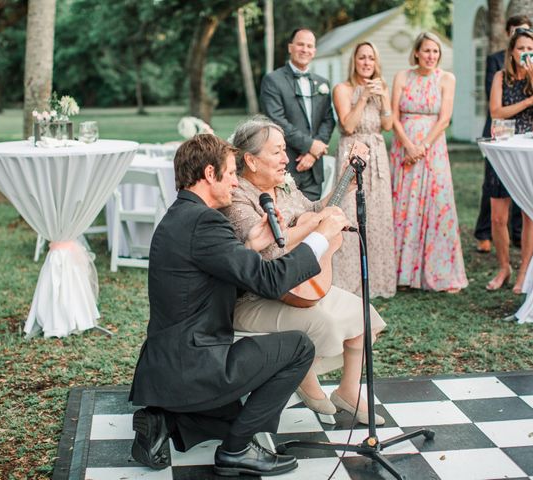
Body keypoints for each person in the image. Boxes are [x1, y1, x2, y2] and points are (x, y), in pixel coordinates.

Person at [129, 134, 349, 476]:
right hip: (193, 362)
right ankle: (237, 451)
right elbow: (270, 280)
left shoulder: (181, 216)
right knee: (299, 346)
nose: (235, 181)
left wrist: (248, 244)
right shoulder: (206, 222)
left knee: (227, 416)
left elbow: (206, 279)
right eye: (230, 173)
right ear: (209, 174)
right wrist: (320, 238)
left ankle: (164, 420)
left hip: (169, 362)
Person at [222, 116, 387, 426]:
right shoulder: (237, 197)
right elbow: (268, 252)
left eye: (285, 150)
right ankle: (301, 371)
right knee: (322, 321)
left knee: (363, 314)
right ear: (250, 161)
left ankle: (348, 391)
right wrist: (312, 225)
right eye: (277, 152)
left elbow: (313, 212)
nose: (287, 158)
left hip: (297, 286)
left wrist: (344, 186)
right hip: (252, 299)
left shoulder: (283, 183)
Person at [390, 32, 468, 293]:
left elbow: (445, 119)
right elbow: (394, 116)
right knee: (404, 206)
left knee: (438, 207)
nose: (431, 56)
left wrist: (422, 147)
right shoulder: (402, 76)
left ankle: (440, 273)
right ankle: (402, 273)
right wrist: (408, 146)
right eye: (426, 51)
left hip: (433, 150)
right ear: (416, 53)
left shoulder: (446, 78)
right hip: (404, 147)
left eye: (435, 52)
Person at [486, 28, 533, 293]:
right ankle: (504, 267)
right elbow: (496, 111)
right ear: (512, 52)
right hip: (503, 149)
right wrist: (527, 101)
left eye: (530, 49)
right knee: (498, 218)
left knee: (529, 215)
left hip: (531, 150)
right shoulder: (501, 77)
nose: (525, 53)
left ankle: (525, 269)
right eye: (521, 48)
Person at [332, 41, 396, 298]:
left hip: (377, 154)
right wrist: (365, 98)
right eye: (362, 58)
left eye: (371, 58)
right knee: (348, 214)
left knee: (378, 217)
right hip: (352, 154)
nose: (367, 62)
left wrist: (382, 98)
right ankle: (349, 283)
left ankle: (378, 282)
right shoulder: (342, 89)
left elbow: (388, 124)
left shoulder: (382, 87)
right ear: (354, 61)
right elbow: (347, 126)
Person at [474, 16, 533, 255]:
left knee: (523, 196)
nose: (525, 49)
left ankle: (518, 235)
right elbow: (495, 103)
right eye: (518, 33)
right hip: (499, 128)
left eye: (527, 34)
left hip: (525, 133)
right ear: (509, 34)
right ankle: (484, 233)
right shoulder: (496, 62)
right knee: (493, 190)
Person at [260, 28, 336, 201]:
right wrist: (310, 145)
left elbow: (328, 120)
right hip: (284, 165)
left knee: (313, 218)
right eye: (300, 44)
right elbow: (276, 121)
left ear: (314, 51)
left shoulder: (322, 83)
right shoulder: (273, 80)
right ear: (290, 47)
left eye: (309, 46)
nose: (305, 49)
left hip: (313, 169)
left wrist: (313, 153)